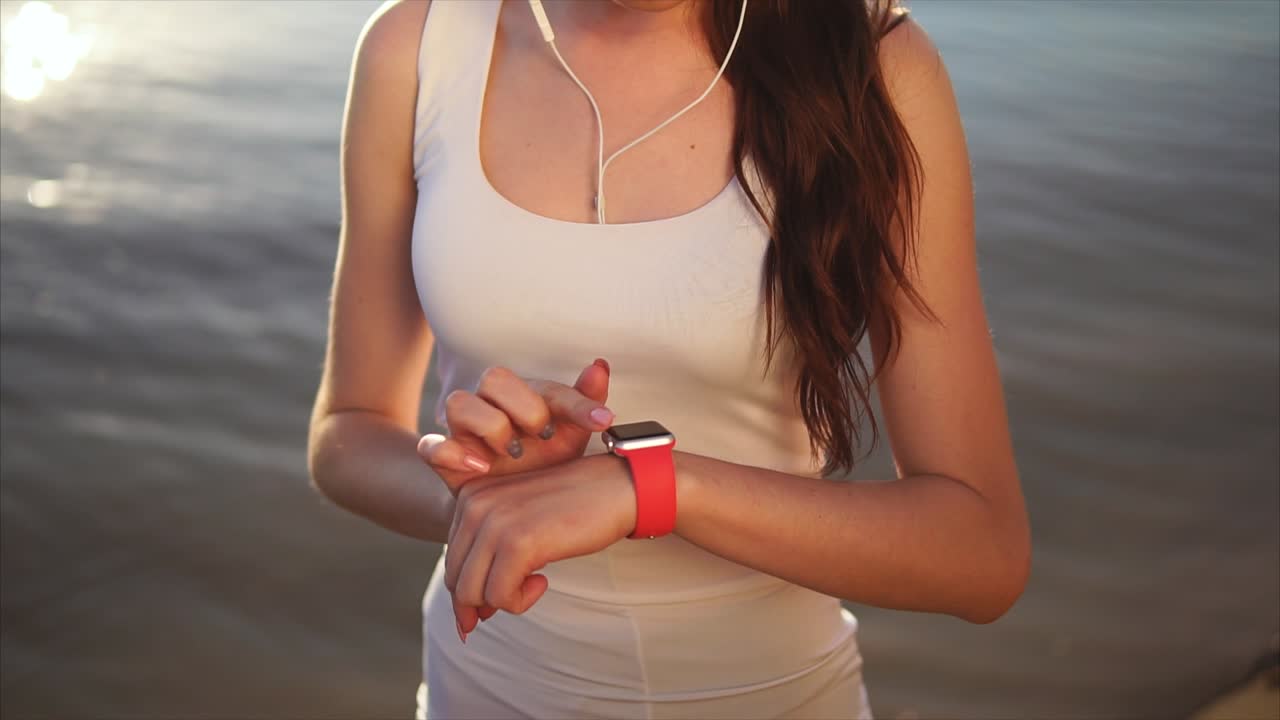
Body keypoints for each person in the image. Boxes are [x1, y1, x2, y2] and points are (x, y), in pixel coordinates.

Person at [306, 0, 1031, 717]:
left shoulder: (872, 61)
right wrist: (475, 499)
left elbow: (979, 554)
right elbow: (348, 431)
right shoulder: (421, 44)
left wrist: (650, 488)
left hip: (772, 697)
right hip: (488, 690)